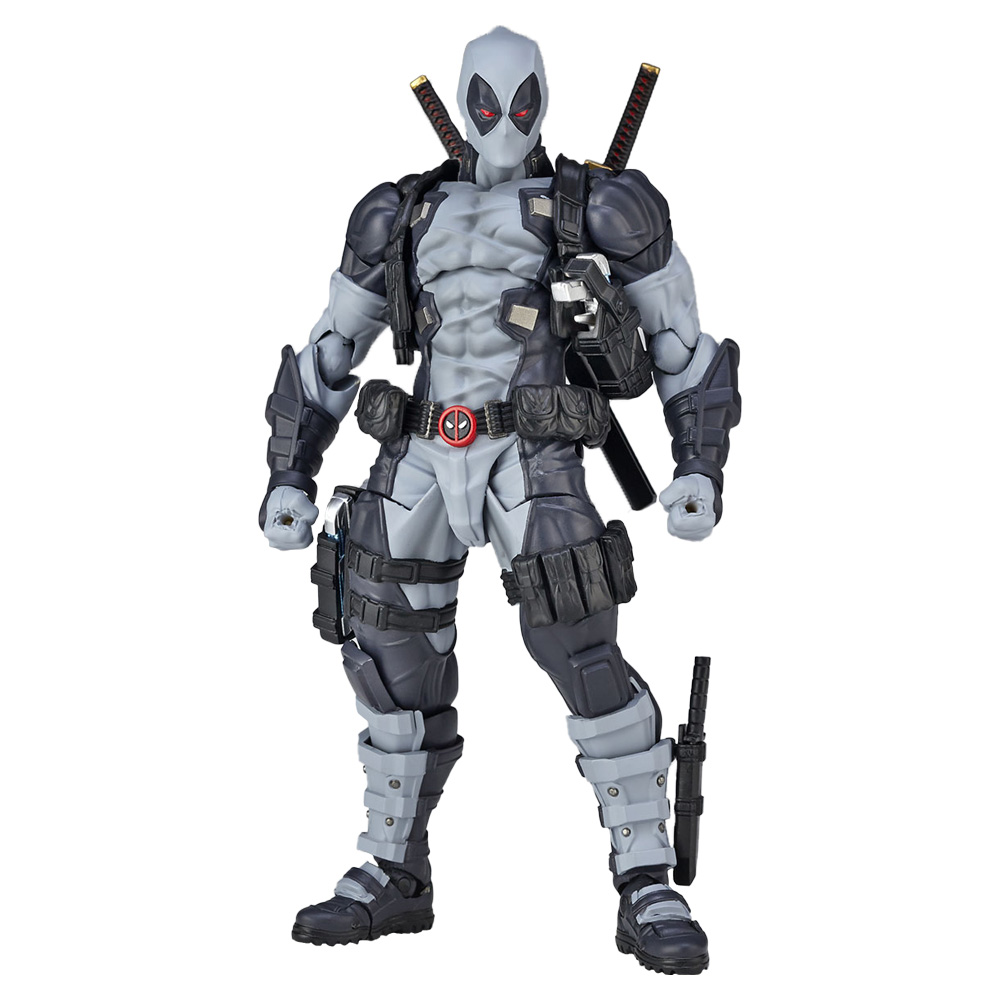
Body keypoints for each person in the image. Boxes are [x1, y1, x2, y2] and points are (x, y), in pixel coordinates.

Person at [259, 26, 739, 975]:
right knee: (387, 652)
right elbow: (331, 345)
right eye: (488, 104)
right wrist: (288, 471)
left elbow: (680, 340)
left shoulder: (599, 206)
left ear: (543, 101)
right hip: (420, 447)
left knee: (579, 644)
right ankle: (392, 868)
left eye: (522, 104)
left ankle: (646, 878)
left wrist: (699, 466)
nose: (505, 121)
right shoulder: (401, 212)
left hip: (534, 449)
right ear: (464, 104)